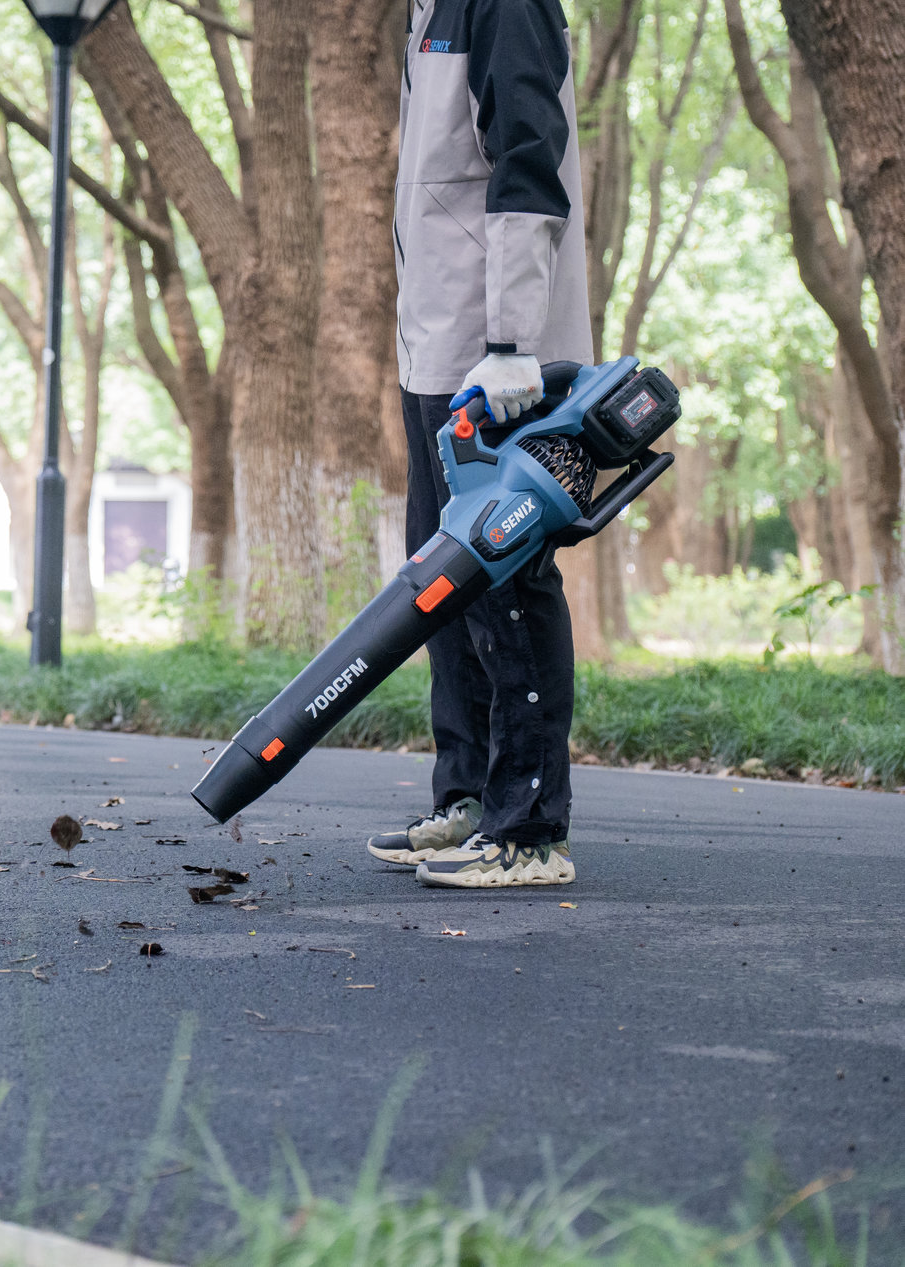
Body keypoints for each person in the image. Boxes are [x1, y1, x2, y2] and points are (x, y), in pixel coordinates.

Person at [366, 0, 591, 887]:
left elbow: (528, 159)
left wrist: (510, 339)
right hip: (438, 341)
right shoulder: (430, 9)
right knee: (443, 583)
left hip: (494, 353)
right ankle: (469, 795)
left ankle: (530, 827)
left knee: (505, 573)